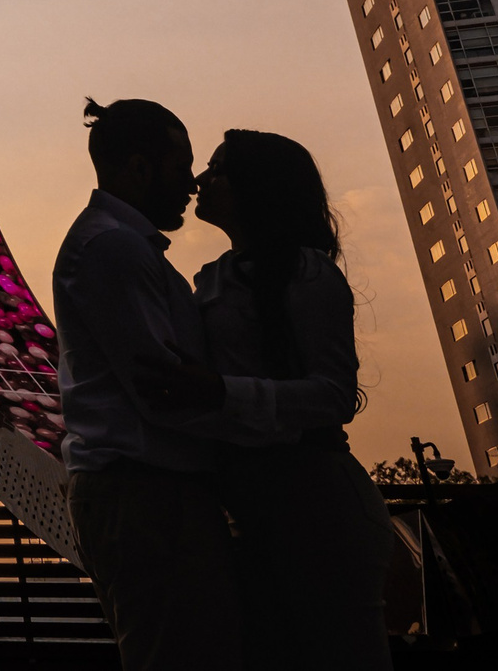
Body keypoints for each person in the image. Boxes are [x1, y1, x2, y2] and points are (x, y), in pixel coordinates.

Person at [170, 129, 395, 671]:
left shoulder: (307, 273)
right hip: (248, 501)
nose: (202, 179)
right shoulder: (215, 277)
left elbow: (335, 395)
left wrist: (222, 392)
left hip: (314, 499)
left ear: (256, 188)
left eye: (219, 170)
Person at [51, 96, 241, 671]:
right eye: (181, 166)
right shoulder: (114, 248)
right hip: (150, 498)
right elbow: (163, 388)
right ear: (138, 167)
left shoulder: (119, 246)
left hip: (149, 495)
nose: (191, 182)